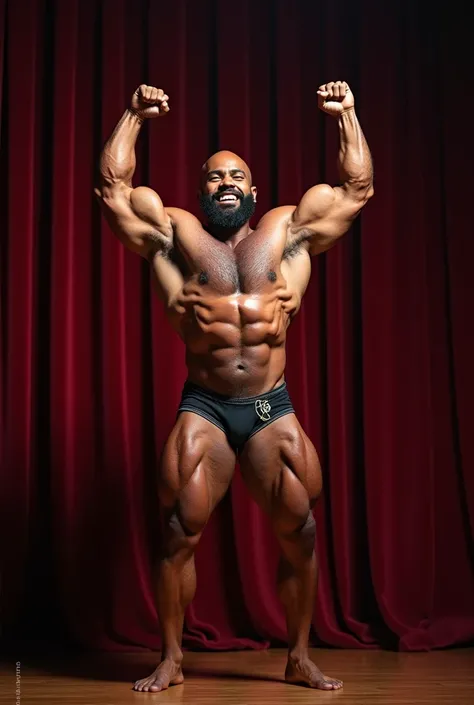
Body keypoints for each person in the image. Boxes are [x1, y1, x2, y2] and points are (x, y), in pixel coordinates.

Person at [96, 80, 373, 692]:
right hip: (207, 407)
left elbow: (356, 189)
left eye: (236, 176)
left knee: (300, 529)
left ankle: (298, 654)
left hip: (271, 405)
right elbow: (113, 190)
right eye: (215, 176)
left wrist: (347, 116)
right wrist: (133, 116)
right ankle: (171, 657)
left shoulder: (287, 233)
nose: (226, 183)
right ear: (201, 191)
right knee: (178, 531)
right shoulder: (174, 236)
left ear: (251, 189)